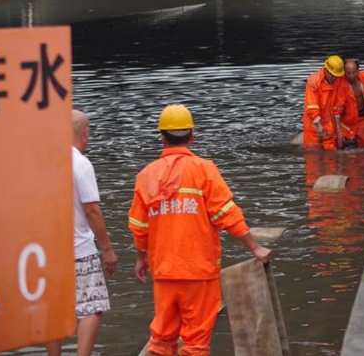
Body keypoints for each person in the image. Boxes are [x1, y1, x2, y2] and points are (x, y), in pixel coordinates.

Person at [128, 105, 272, 355]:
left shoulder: (146, 175)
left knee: (162, 339)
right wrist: (255, 248)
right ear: (192, 137)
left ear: (162, 138)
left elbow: (139, 226)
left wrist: (142, 259)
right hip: (199, 271)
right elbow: (226, 214)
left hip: (164, 271)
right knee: (196, 343)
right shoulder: (204, 170)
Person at [46, 110, 118, 356]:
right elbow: (92, 211)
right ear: (85, 134)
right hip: (79, 250)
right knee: (92, 307)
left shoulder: (43, 162)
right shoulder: (81, 164)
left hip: (48, 251)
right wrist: (107, 249)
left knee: (54, 312)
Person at [303, 55, 354, 150]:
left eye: (336, 76)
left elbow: (338, 106)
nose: (334, 78)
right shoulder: (314, 81)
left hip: (330, 125)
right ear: (326, 70)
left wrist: (338, 130)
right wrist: (318, 125)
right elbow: (312, 106)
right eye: (333, 75)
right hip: (313, 125)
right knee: (312, 152)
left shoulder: (339, 80)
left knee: (331, 152)